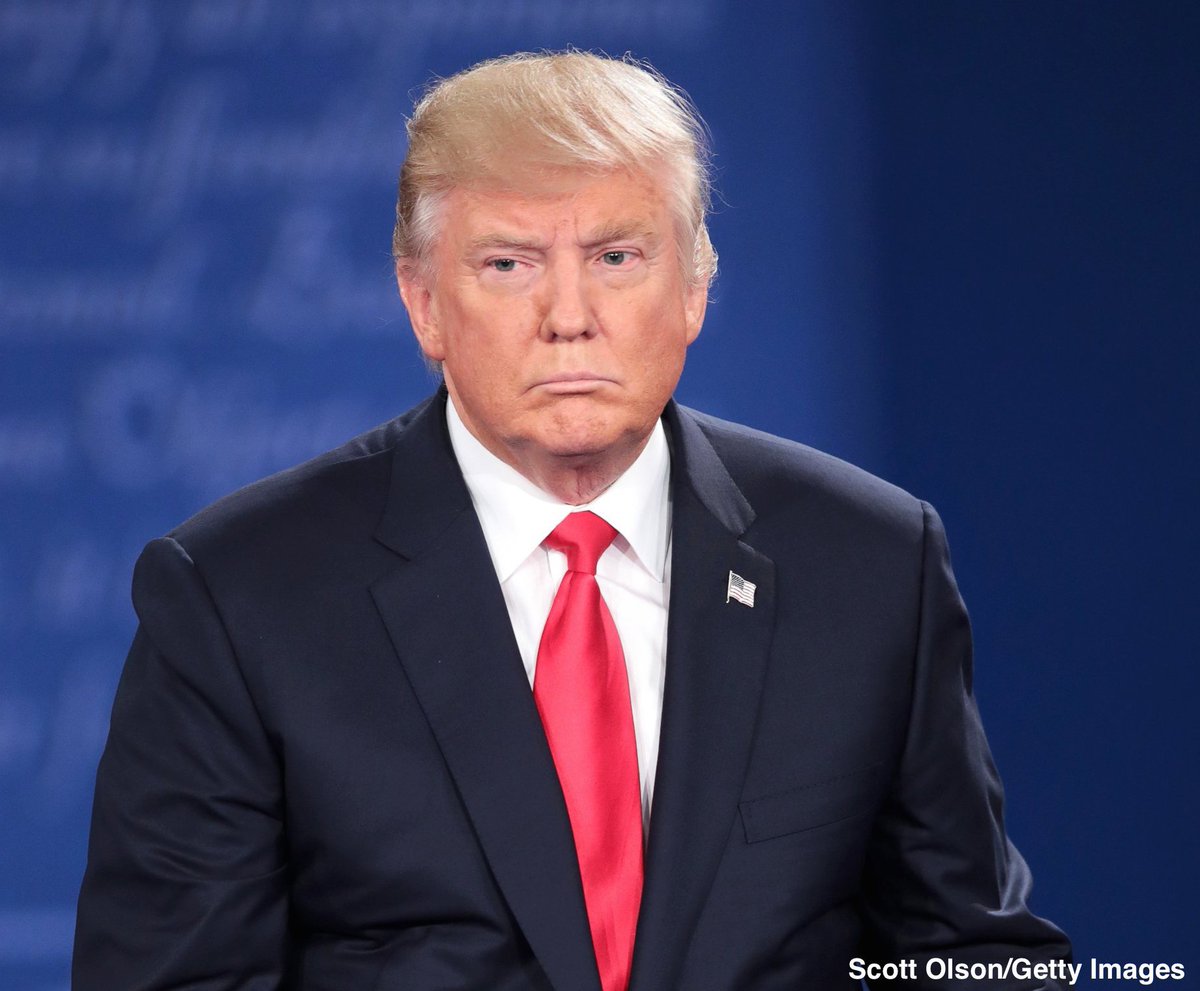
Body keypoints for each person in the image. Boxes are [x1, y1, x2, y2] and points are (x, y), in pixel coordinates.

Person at [74, 51, 1071, 990]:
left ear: (695, 289)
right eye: (508, 264)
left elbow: (975, 956)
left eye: (617, 256)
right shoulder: (241, 596)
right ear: (423, 304)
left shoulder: (871, 563)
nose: (568, 315)